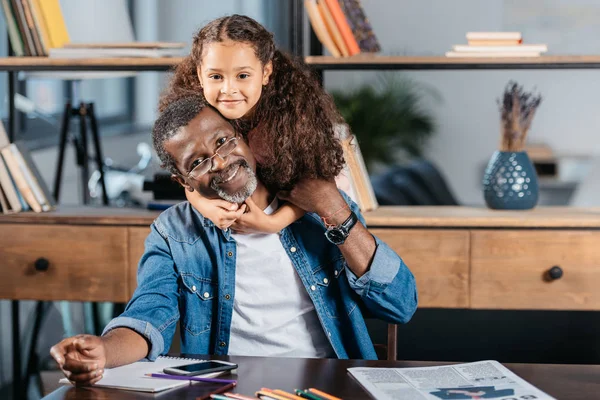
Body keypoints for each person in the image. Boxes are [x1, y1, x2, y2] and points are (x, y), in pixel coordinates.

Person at [50, 96, 418, 386]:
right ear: (184, 183)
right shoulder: (173, 233)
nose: (221, 161)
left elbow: (400, 305)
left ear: (244, 138)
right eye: (197, 162)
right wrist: (102, 351)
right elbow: (148, 317)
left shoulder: (317, 208)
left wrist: (333, 208)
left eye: (224, 141)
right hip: (227, 389)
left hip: (325, 384)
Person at [158, 14, 346, 233]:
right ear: (200, 74)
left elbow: (316, 188)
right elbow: (189, 174)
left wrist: (273, 223)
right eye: (216, 77)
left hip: (306, 215)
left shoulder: (291, 117)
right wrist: (205, 206)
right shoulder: (195, 116)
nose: (228, 89)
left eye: (243, 75)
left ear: (265, 72)